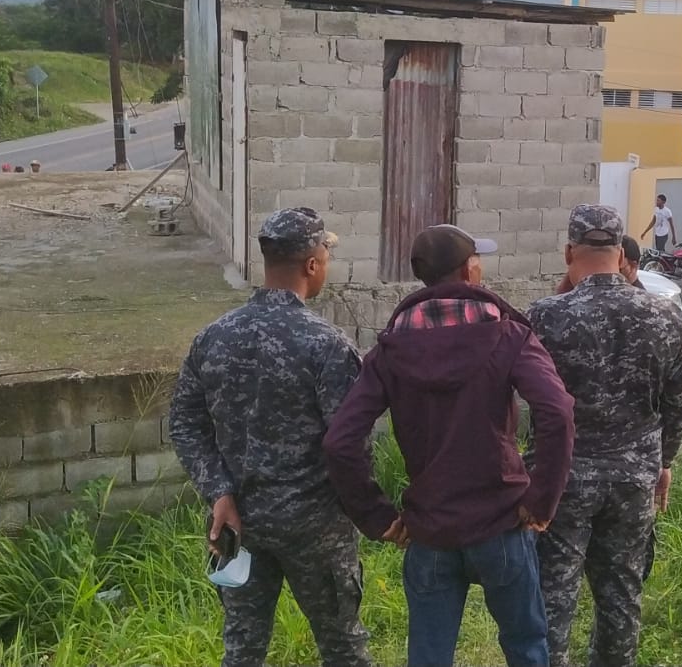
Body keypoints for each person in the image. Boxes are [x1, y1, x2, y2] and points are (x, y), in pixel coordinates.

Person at [323, 225, 573, 667]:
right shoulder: (508, 335)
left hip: (431, 532)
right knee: (528, 648)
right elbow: (557, 411)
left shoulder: (390, 351)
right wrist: (542, 500)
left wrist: (377, 517)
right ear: (469, 269)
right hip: (502, 525)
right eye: (479, 259)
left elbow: (341, 442)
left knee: (428, 657)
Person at [168, 207, 372, 667]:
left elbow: (184, 422)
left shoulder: (213, 338)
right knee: (343, 648)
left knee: (242, 649)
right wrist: (367, 510)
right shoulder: (327, 344)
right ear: (313, 264)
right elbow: (352, 444)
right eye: (327, 253)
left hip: (239, 524)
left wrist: (218, 492)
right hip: (315, 528)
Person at [528, 205, 682, 667]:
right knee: (621, 594)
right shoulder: (664, 316)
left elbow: (522, 396)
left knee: (552, 597)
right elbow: (679, 400)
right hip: (634, 475)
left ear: (568, 251)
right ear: (622, 253)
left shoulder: (545, 316)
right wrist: (664, 462)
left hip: (562, 479)